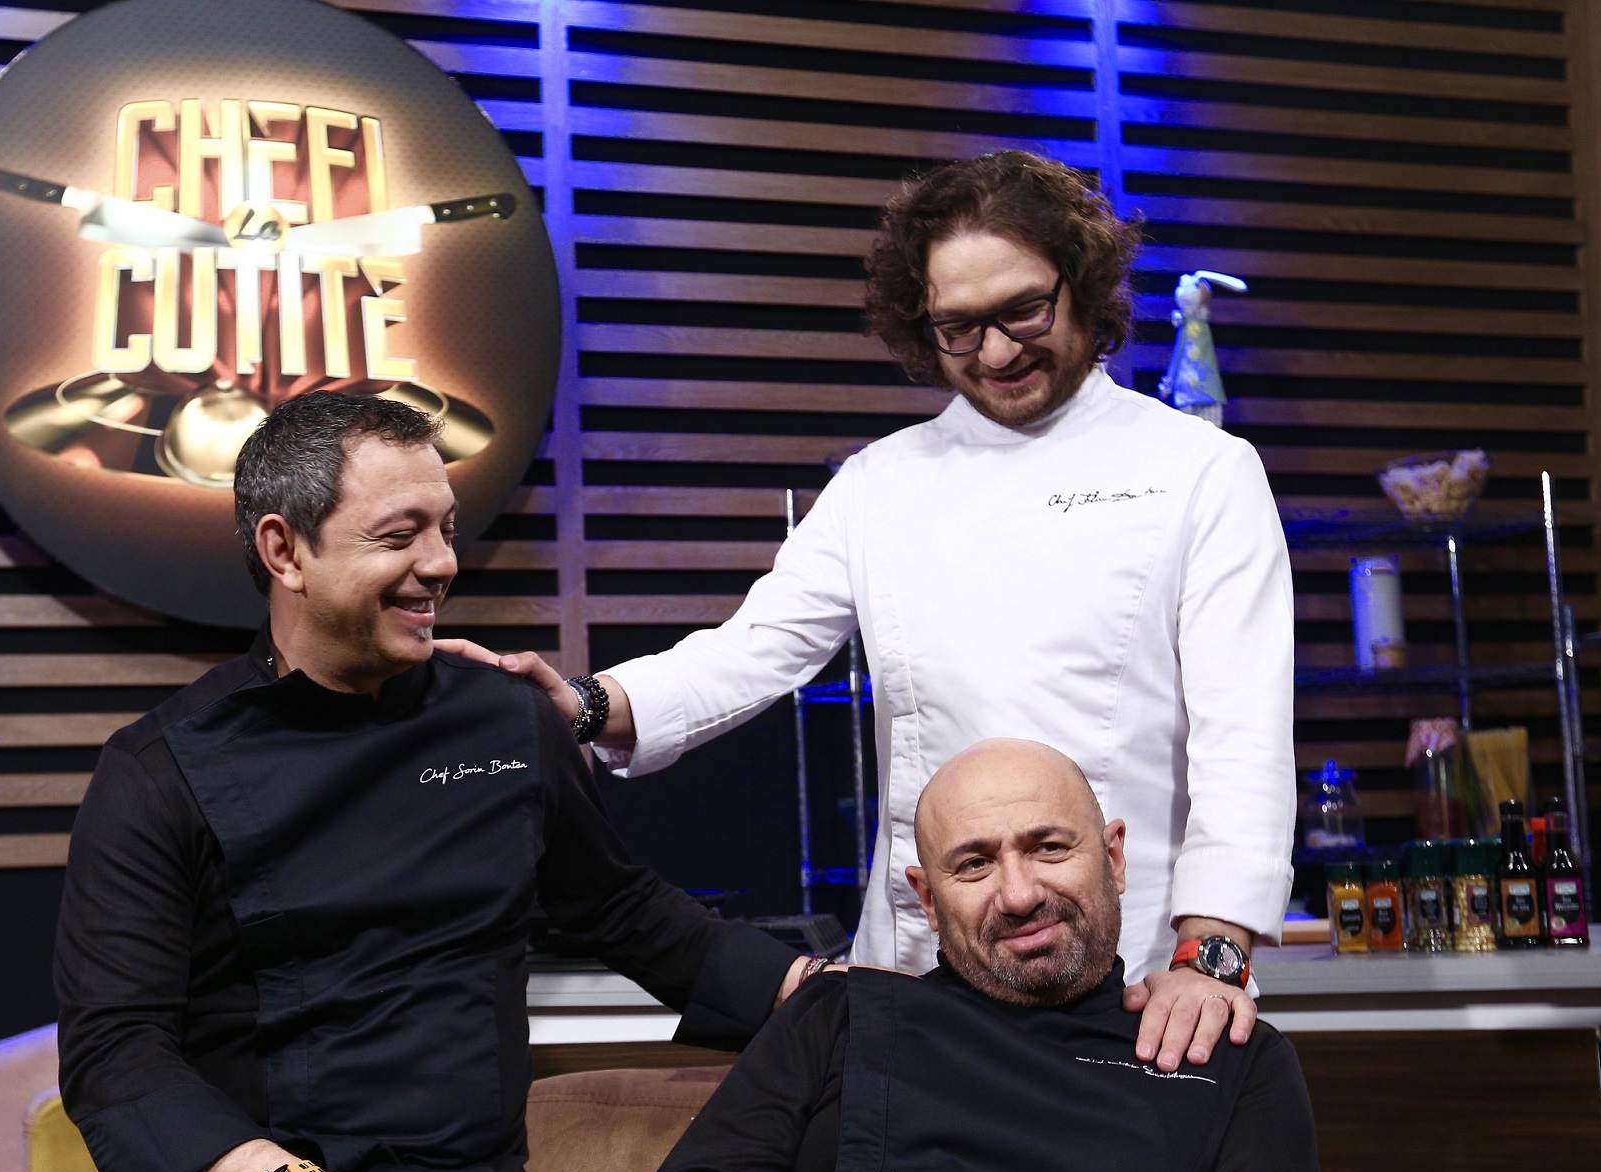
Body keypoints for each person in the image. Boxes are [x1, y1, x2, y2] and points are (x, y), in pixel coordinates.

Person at [53, 391, 814, 1172]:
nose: (441, 563)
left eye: (447, 528)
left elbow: (626, 912)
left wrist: (818, 995)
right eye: (398, 534)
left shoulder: (504, 721)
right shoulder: (158, 768)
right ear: (284, 549)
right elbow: (114, 1056)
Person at [445, 150, 1296, 1074]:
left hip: (1136, 980)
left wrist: (1211, 953)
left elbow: (1242, 735)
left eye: (1023, 311)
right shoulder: (881, 482)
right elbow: (752, 651)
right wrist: (581, 703)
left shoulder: (1198, 470)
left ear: (1082, 286)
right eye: (958, 329)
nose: (996, 353)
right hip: (923, 973)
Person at [540, 739, 1320, 1172]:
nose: (1019, 893)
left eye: (1048, 848)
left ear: (1112, 857)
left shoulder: (1225, 1056)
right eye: (973, 864)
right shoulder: (839, 1013)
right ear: (926, 896)